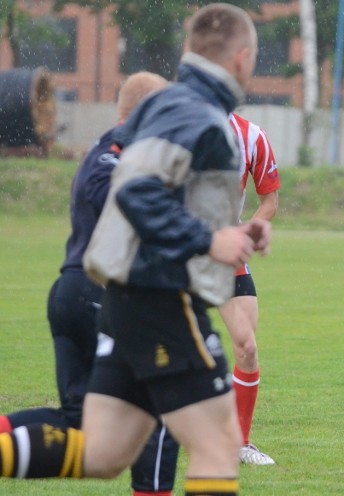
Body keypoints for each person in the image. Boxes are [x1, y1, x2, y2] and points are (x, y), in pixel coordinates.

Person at [0, 5, 269, 496]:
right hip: (162, 297)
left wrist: (234, 231)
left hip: (126, 298)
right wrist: (209, 239)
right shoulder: (198, 113)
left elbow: (154, 185)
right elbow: (137, 190)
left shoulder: (164, 105)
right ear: (242, 58)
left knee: (104, 452)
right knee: (218, 442)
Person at [0, 71, 179, 496]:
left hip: (75, 294)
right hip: (94, 296)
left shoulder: (123, 147)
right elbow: (109, 193)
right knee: (165, 402)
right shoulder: (118, 145)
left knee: (80, 421)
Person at [224, 112, 280, 465]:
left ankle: (238, 443)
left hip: (226, 253)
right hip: (177, 251)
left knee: (246, 346)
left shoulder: (251, 136)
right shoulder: (175, 124)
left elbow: (270, 199)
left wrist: (245, 233)